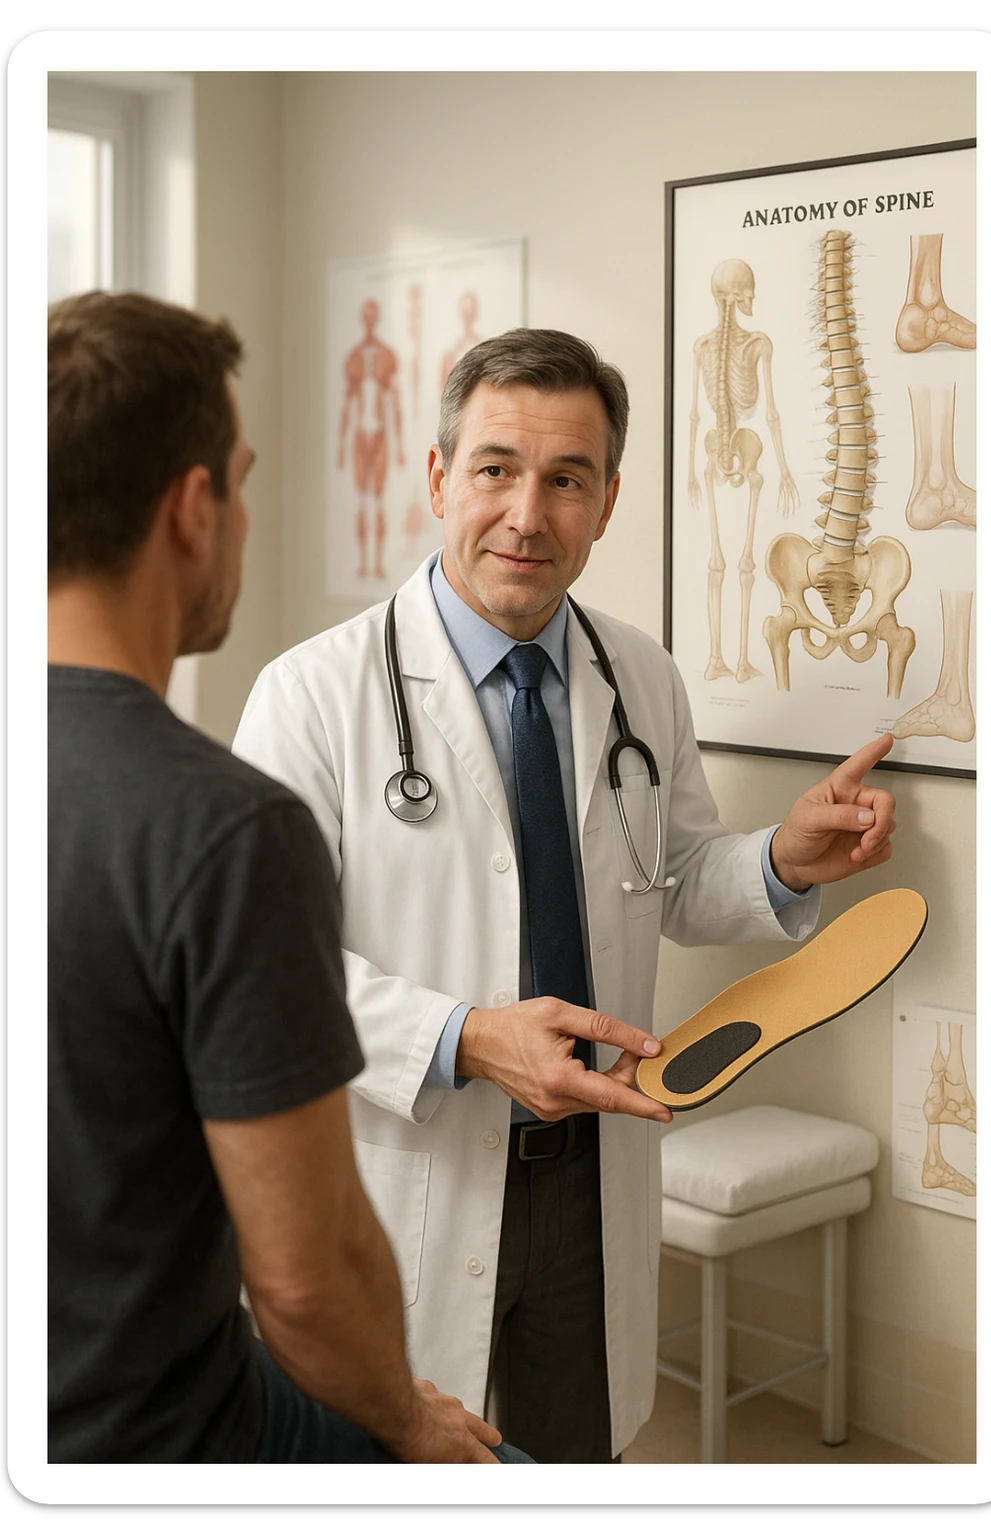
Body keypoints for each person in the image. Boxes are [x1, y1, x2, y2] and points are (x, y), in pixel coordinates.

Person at [232, 328, 897, 1464]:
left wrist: (782, 860)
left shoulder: (639, 675)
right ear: (439, 477)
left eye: (567, 480)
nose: (527, 516)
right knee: (402, 1461)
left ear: (607, 502)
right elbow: (261, 977)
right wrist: (467, 1038)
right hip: (415, 1168)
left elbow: (671, 877)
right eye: (495, 469)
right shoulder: (311, 696)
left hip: (590, 1179)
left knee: (579, 1457)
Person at [47, 290, 531, 1465]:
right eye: (244, 481)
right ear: (193, 511)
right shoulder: (220, 830)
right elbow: (306, 1282)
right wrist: (409, 1419)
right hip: (153, 1434)